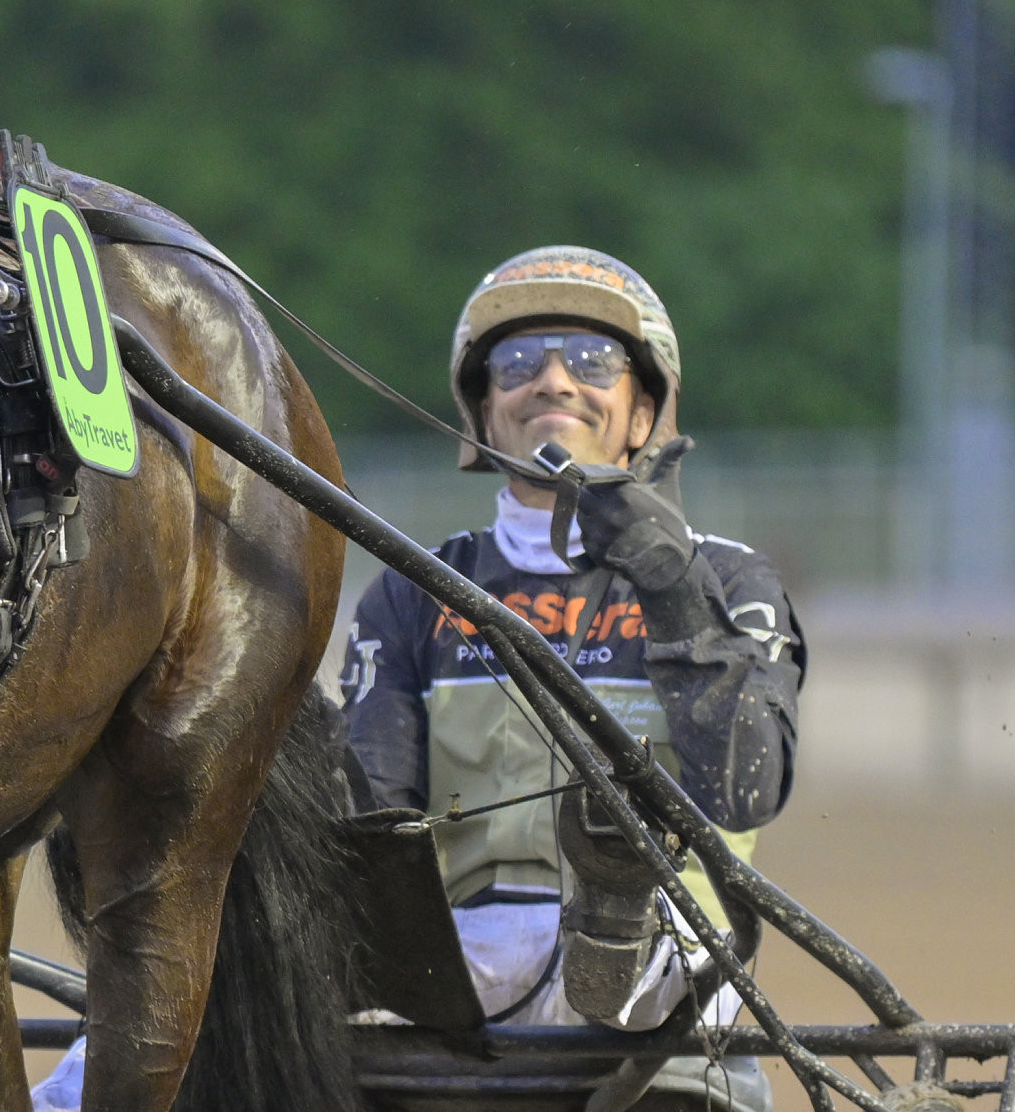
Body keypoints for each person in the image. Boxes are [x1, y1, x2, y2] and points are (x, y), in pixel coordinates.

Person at [338, 244, 804, 1031]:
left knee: (636, 931)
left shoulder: (728, 579)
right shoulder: (412, 592)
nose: (553, 380)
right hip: (459, 960)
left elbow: (745, 792)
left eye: (592, 360)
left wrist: (674, 590)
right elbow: (373, 825)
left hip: (672, 958)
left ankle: (613, 913)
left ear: (645, 413)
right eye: (516, 363)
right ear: (483, 412)